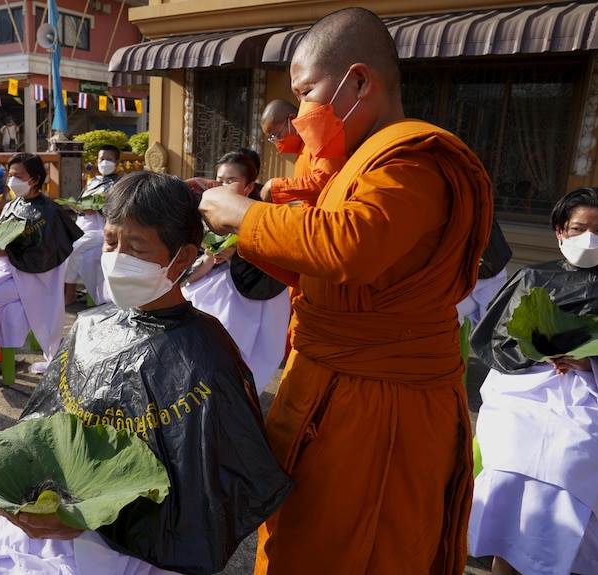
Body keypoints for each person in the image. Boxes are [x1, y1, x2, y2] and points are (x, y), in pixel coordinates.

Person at [198, 8, 493, 574]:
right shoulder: (354, 163)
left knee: (358, 550)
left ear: (359, 81)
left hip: (381, 404)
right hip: (324, 383)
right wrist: (237, 221)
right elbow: (327, 276)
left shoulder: (413, 158)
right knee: (298, 537)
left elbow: (348, 246)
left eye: (308, 92)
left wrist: (246, 214)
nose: (303, 112)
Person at [0, 170, 292, 575]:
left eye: (137, 248)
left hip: (138, 547)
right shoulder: (89, 326)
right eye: (110, 242)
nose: (117, 258)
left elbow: (208, 498)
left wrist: (97, 519)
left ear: (185, 258)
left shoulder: (206, 360)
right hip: (51, 520)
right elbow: (44, 432)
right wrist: (21, 491)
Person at [468, 187, 598, 575]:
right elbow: (495, 339)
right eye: (580, 228)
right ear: (560, 231)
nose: (590, 238)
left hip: (594, 395)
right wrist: (538, 350)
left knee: (571, 459)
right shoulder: (534, 276)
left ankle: (561, 560)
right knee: (511, 456)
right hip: (526, 388)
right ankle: (504, 556)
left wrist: (591, 361)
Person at [182, 151, 290, 395]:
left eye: (230, 181)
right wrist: (212, 256)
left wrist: (236, 256)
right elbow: (195, 267)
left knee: (233, 339)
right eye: (219, 179)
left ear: (249, 186)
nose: (222, 186)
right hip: (211, 286)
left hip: (251, 295)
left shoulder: (264, 216)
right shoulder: (206, 213)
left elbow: (274, 265)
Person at [0, 152, 82, 375]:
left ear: (35, 180)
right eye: (9, 175)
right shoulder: (12, 205)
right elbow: (0, 238)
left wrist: (2, 253)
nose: (11, 180)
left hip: (33, 279)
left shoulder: (49, 211)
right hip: (5, 271)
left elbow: (44, 253)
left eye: (18, 176)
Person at [63, 144, 121, 306]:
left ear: (117, 162)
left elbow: (120, 211)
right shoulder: (92, 182)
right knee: (63, 246)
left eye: (109, 159)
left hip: (103, 229)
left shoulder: (120, 184)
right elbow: (82, 203)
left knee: (73, 247)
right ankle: (67, 291)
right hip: (83, 226)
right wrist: (79, 208)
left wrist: (97, 209)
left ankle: (70, 293)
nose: (104, 162)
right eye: (102, 159)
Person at [258, 98, 344, 206]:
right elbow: (309, 201)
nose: (277, 143)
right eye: (272, 140)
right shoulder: (302, 149)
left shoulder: (320, 137)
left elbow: (324, 183)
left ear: (292, 119)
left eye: (276, 136)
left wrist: (274, 186)